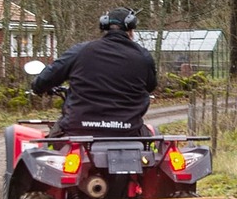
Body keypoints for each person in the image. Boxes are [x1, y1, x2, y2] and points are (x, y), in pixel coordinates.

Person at [30, 7, 157, 138]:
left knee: (48, 148)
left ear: (104, 25)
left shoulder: (80, 51)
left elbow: (48, 76)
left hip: (77, 131)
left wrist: (37, 87)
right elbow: (150, 86)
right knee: (152, 146)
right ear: (131, 29)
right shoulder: (143, 57)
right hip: (128, 132)